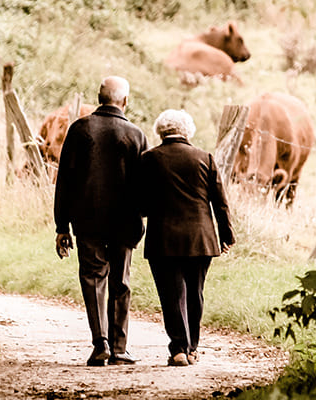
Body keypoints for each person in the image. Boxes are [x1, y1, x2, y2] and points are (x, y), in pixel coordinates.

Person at [53, 76, 148, 366]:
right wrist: (141, 216)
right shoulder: (135, 134)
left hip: (87, 220)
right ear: (125, 101)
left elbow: (64, 181)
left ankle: (101, 344)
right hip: (125, 221)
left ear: (98, 97)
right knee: (121, 281)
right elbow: (144, 184)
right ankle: (120, 348)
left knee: (93, 279)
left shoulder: (80, 129)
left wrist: (62, 226)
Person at [139, 109, 235, 367]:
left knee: (171, 294)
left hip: (163, 238)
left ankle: (178, 349)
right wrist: (226, 235)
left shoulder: (149, 159)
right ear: (187, 131)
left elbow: (140, 202)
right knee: (195, 293)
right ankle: (192, 348)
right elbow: (220, 203)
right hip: (201, 238)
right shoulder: (205, 158)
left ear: (160, 130)